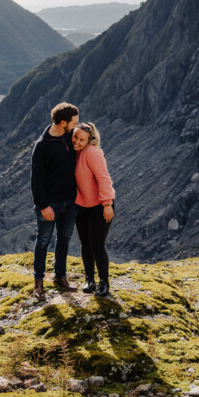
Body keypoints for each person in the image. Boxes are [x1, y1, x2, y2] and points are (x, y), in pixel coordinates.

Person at [30, 102, 80, 301]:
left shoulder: (71, 137)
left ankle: (60, 277)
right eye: (74, 122)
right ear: (62, 122)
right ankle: (38, 284)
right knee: (43, 241)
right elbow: (36, 180)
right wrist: (43, 206)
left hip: (70, 202)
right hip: (50, 205)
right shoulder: (42, 147)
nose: (77, 125)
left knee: (64, 240)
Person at [72, 122, 116, 298]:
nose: (77, 141)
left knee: (97, 244)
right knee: (85, 244)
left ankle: (104, 282)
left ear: (89, 140)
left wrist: (107, 204)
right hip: (81, 206)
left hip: (100, 206)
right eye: (75, 137)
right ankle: (89, 279)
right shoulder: (72, 153)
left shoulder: (92, 153)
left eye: (82, 139)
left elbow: (104, 178)